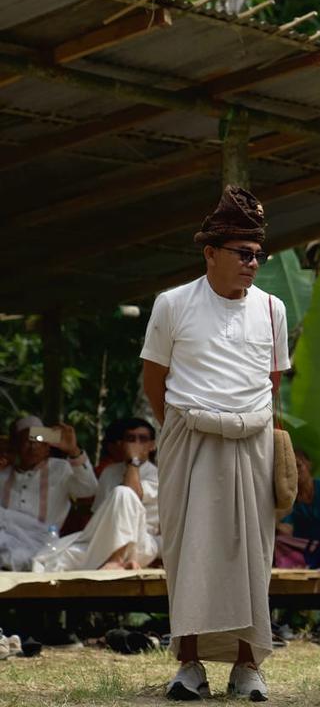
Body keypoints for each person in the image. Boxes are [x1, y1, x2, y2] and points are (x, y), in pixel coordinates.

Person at [141, 185, 288, 701]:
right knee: (189, 553)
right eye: (242, 253)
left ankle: (248, 668)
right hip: (189, 439)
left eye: (258, 255)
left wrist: (253, 430)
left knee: (251, 553)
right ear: (210, 252)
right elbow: (154, 378)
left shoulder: (273, 308)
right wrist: (182, 429)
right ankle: (189, 665)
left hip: (252, 440)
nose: (253, 263)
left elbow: (274, 383)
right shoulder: (172, 303)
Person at [33, 417, 162, 572]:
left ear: (152, 446)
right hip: (104, 539)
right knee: (51, 559)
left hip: (140, 543)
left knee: (123, 493)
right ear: (122, 444)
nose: (136, 443)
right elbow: (99, 515)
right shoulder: (109, 472)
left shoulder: (158, 475)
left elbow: (133, 493)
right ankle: (109, 559)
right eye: (130, 439)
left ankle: (117, 560)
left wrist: (133, 461)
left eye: (142, 439)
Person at [0, 416, 96, 571]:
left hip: (42, 546)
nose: (32, 447)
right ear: (15, 446)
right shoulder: (3, 474)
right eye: (26, 441)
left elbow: (89, 489)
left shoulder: (61, 469)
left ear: (47, 446)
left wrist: (74, 451)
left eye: (38, 440)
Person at [273, 448, 320, 568]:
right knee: (278, 541)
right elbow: (286, 528)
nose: (296, 472)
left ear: (309, 465)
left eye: (299, 465)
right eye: (290, 469)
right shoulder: (291, 496)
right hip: (302, 545)